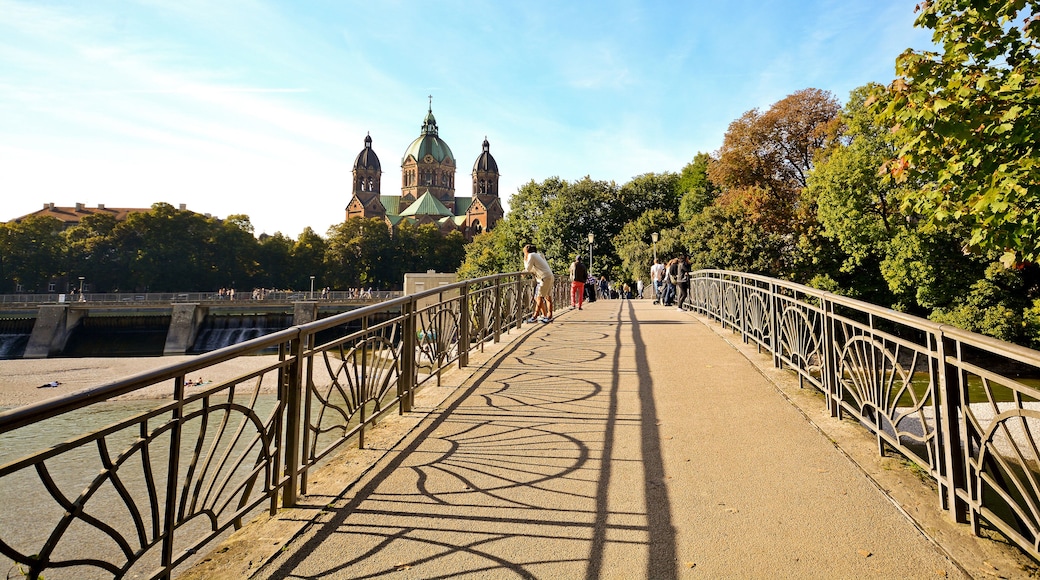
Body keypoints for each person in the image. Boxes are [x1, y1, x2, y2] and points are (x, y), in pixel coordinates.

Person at [523, 244, 555, 323]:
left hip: (544, 278)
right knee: (548, 297)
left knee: (539, 297)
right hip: (549, 276)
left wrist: (525, 258)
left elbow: (528, 269)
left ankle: (535, 316)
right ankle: (548, 315)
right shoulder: (538, 255)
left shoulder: (531, 255)